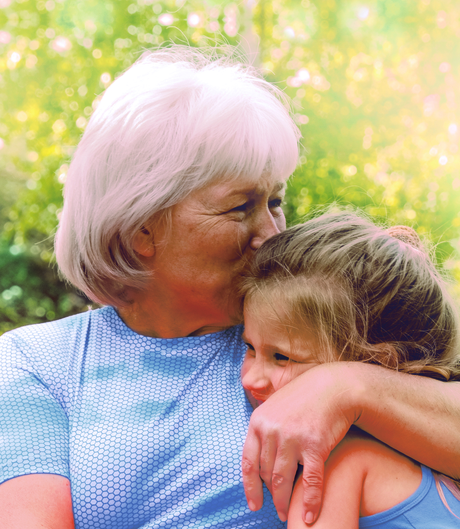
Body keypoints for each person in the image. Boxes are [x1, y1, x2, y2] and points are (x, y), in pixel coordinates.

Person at [0, 47, 459, 529]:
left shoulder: (317, 323)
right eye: (241, 207)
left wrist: (347, 387)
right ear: (141, 229)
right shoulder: (40, 362)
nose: (271, 233)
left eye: (275, 202)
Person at [240, 210, 460, 528]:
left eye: (283, 357)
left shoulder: (338, 465)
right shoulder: (438, 470)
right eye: (250, 348)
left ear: (378, 365)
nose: (250, 378)